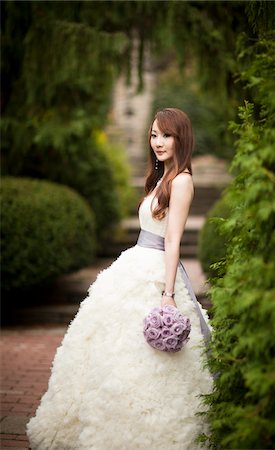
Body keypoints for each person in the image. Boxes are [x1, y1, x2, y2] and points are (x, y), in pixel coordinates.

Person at [26, 107, 213, 450]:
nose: (158, 142)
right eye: (154, 134)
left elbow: (172, 241)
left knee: (148, 357)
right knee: (110, 345)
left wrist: (168, 294)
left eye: (166, 135)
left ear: (181, 138)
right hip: (134, 264)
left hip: (156, 271)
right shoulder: (161, 177)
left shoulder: (182, 180)